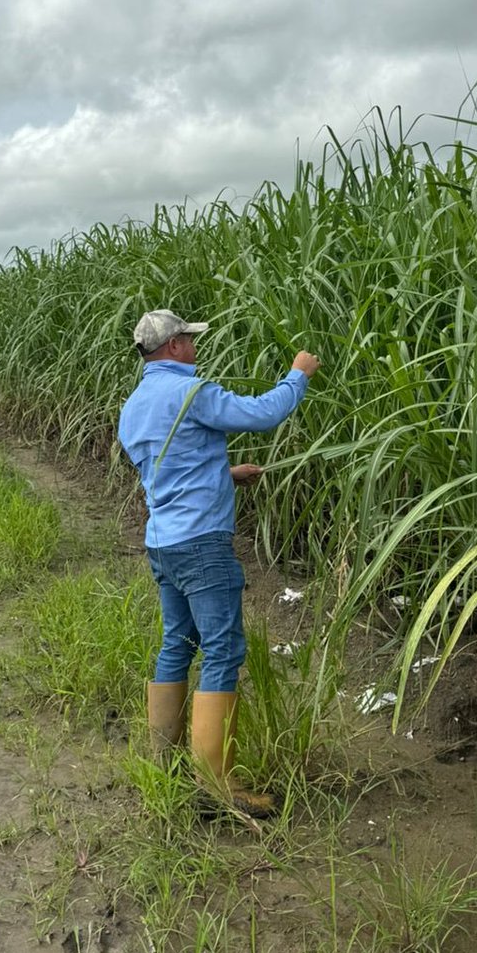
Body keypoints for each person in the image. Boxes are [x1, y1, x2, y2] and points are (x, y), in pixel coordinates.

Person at [117, 308, 320, 816]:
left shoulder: (135, 404)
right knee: (224, 650)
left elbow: (168, 472)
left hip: (163, 543)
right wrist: (299, 374)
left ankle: (163, 763)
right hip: (202, 544)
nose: (193, 345)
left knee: (176, 644)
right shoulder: (190, 392)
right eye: (187, 338)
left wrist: (223, 472)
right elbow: (262, 414)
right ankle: (216, 786)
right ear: (173, 348)